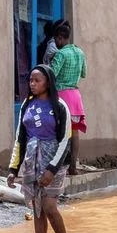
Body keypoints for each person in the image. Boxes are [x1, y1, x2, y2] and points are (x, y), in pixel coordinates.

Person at [8, 64, 73, 233]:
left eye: (37, 80)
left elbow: (66, 140)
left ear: (48, 83)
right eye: (31, 80)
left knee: (49, 206)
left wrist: (52, 169)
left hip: (54, 161)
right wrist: (13, 169)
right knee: (38, 209)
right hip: (32, 160)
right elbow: (20, 138)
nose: (32, 84)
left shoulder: (60, 106)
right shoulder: (27, 105)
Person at [50, 21, 88, 153]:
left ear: (60, 38)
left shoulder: (61, 54)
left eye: (56, 40)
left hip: (61, 95)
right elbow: (84, 73)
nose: (55, 44)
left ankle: (58, 165)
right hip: (75, 96)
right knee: (74, 132)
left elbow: (51, 74)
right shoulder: (80, 53)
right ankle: (73, 166)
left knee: (60, 131)